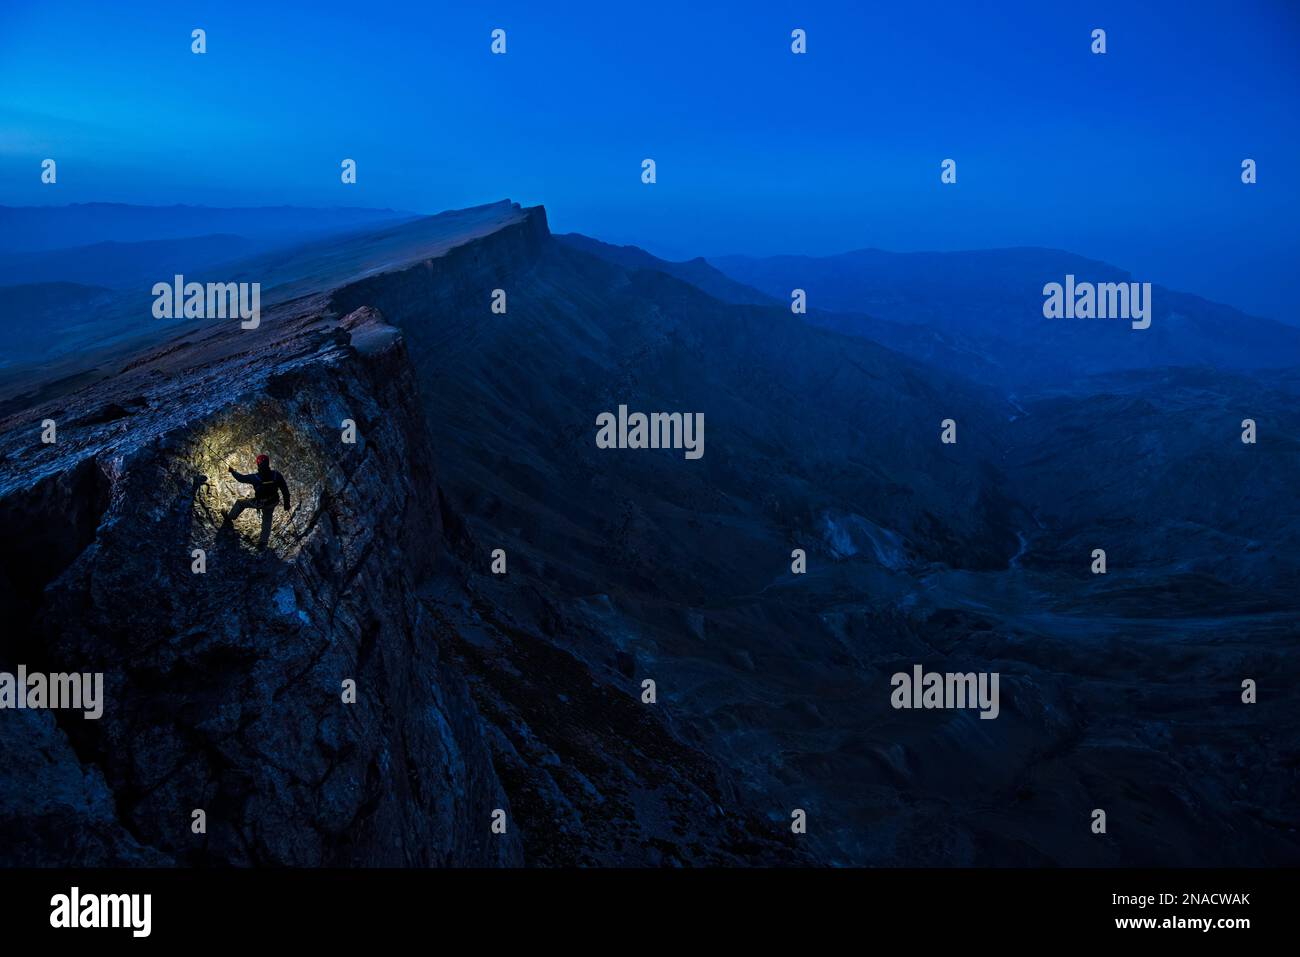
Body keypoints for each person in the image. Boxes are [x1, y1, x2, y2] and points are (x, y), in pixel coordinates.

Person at [225, 454, 291, 551]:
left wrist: (233, 471)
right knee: (267, 520)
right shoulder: (277, 475)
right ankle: (263, 542)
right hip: (273, 502)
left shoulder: (255, 477)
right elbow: (285, 490)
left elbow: (241, 478)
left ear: (258, 464)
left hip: (260, 502)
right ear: (268, 463)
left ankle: (230, 517)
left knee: (240, 503)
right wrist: (286, 504)